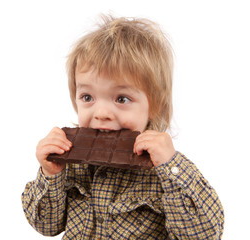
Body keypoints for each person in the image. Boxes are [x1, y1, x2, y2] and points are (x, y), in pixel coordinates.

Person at [22, 14, 224, 239]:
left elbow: (205, 235)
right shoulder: (69, 165)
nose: (101, 114)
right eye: (87, 97)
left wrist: (172, 167)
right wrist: (50, 174)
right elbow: (46, 226)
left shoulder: (163, 172)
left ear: (154, 105)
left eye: (121, 99)